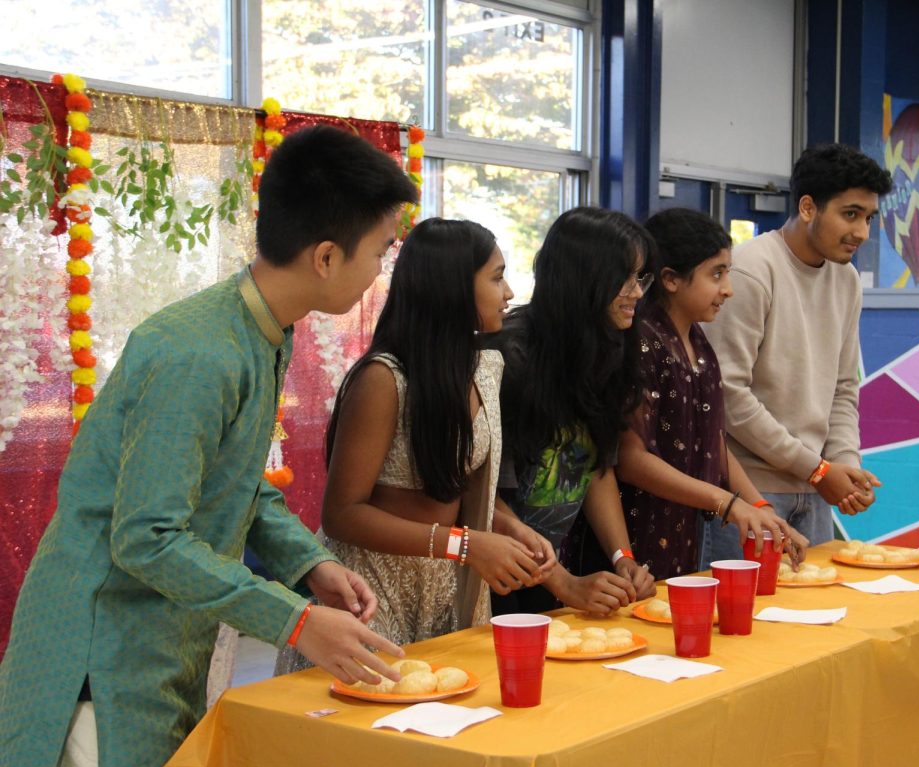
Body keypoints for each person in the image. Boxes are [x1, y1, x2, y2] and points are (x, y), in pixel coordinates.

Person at [0, 125, 417, 767]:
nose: (381, 270)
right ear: (327, 256)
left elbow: (235, 483)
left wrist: (310, 564)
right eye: (380, 250)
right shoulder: (197, 353)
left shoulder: (261, 330)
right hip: (100, 654)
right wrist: (296, 622)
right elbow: (147, 536)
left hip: (158, 637)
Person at [275, 219, 557, 677]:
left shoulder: (483, 369)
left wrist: (510, 528)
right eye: (496, 276)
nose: (508, 293)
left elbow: (456, 489)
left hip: (444, 585)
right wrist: (465, 545)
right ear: (451, 287)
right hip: (369, 589)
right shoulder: (384, 380)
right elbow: (342, 514)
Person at [701, 143, 891, 568]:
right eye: (850, 214)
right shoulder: (752, 269)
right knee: (748, 624)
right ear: (808, 207)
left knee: (817, 622)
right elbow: (727, 395)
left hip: (814, 486)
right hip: (748, 492)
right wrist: (819, 470)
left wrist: (845, 464)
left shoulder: (847, 280)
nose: (862, 231)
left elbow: (844, 387)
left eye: (868, 218)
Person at [614, 207, 808, 578]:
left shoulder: (699, 342)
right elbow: (631, 459)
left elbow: (712, 441)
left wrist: (760, 506)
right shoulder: (642, 342)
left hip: (685, 530)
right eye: (716, 274)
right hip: (638, 534)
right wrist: (727, 503)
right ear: (671, 279)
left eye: (728, 273)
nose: (728, 289)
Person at [488, 207, 656, 615]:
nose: (637, 292)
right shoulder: (510, 355)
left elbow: (593, 466)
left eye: (641, 278)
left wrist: (623, 558)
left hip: (547, 576)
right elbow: (477, 496)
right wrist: (563, 583)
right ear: (586, 278)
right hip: (489, 576)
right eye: (626, 279)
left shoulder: (609, 346)